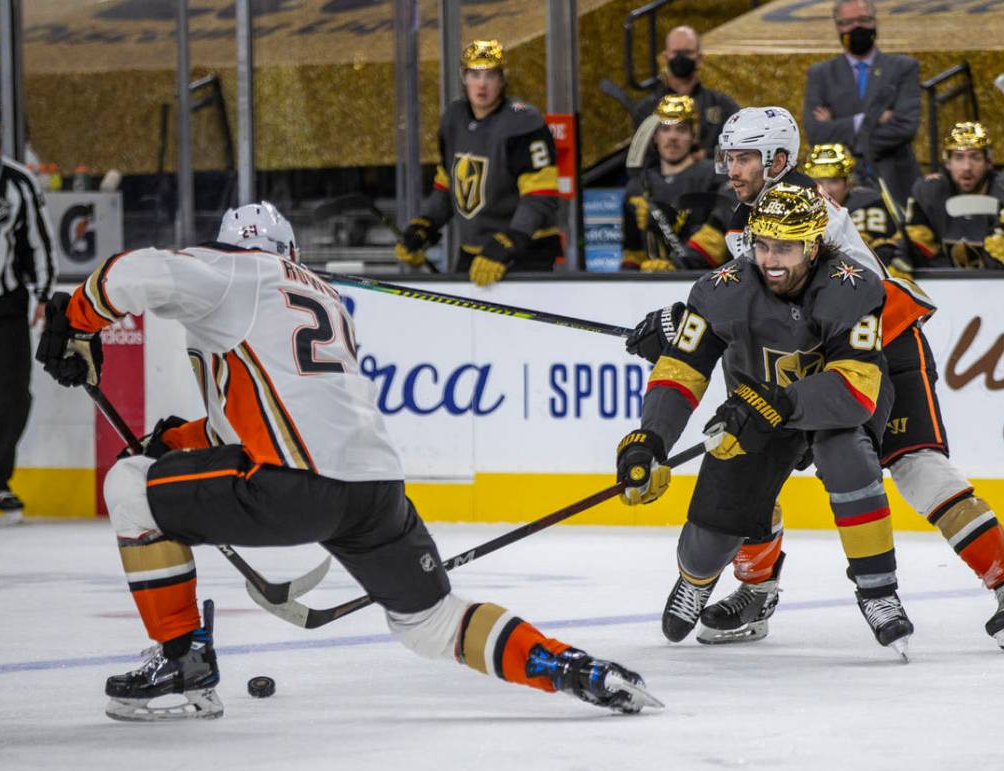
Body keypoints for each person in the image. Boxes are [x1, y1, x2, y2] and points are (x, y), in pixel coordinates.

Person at [34, 202, 659, 721]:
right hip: (375, 493)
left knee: (129, 486)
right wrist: (175, 443)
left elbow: (138, 272)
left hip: (294, 486)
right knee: (429, 623)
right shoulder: (322, 295)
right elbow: (258, 419)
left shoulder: (232, 271)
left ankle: (181, 660)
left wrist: (77, 321)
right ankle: (574, 668)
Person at [627, 107, 1004, 653]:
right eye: (728, 157)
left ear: (779, 161)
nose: (731, 169)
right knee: (751, 461)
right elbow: (748, 294)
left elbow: (808, 303)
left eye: (743, 158)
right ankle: (756, 592)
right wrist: (682, 324)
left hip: (878, 351)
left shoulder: (808, 212)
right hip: (808, 359)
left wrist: (684, 324)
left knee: (919, 468)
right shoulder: (756, 212)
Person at [617, 183, 915, 657]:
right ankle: (698, 579)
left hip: (833, 407)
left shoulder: (854, 286)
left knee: (847, 458)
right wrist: (649, 438)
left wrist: (778, 402)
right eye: (763, 244)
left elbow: (857, 389)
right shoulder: (718, 291)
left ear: (813, 246)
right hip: (755, 413)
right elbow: (681, 371)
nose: (772, 259)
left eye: (786, 247)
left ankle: (879, 592)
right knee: (707, 539)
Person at [395, 40, 561, 286]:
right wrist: (425, 225)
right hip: (474, 250)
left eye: (490, 74)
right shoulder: (453, 119)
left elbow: (540, 196)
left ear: (503, 78)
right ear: (464, 77)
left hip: (527, 251)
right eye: (474, 74)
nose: (481, 84)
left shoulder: (524, 123)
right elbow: (448, 183)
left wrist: (511, 241)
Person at [0, 93, 57, 525]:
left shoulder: (17, 182)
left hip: (4, 306)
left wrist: (47, 296)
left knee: (12, 396)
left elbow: (40, 242)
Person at [802, 0, 921, 206]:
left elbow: (905, 126)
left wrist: (838, 126)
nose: (857, 27)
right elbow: (816, 134)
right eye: (848, 22)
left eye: (863, 20)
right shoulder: (820, 73)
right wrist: (869, 120)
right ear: (838, 27)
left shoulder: (903, 67)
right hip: (839, 189)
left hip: (896, 183)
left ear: (875, 22)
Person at [897, 121, 1004, 271]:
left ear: (988, 161)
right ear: (948, 163)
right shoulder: (929, 191)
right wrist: (904, 257)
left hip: (1000, 284)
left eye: (975, 157)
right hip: (943, 285)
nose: (967, 167)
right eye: (959, 157)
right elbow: (910, 243)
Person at [620, 95, 728, 272]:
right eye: (665, 129)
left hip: (705, 281)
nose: (672, 137)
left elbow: (721, 238)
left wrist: (677, 267)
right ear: (655, 136)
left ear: (694, 136)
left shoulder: (714, 176)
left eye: (681, 129)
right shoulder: (637, 187)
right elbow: (633, 253)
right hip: (653, 286)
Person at [630, 26, 739, 162]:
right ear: (665, 58)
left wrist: (706, 156)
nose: (681, 58)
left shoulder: (723, 106)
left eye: (687, 52)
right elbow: (641, 159)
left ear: (699, 59)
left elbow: (738, 152)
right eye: (676, 52)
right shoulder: (647, 109)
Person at [803, 142, 898, 265]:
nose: (825, 190)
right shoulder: (801, 208)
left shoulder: (867, 204)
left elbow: (870, 258)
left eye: (834, 181)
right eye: (818, 182)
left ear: (848, 182)